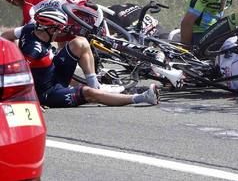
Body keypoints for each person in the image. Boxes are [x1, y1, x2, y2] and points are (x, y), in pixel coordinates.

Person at [0, 7, 159, 107]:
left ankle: (95, 83)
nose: (59, 33)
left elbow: (4, 37)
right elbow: (16, 77)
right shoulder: (33, 51)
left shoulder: (31, 28)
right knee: (89, 94)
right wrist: (30, 100)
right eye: (57, 30)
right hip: (48, 93)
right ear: (48, 28)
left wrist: (12, 51)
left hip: (54, 72)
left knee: (80, 43)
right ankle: (141, 98)